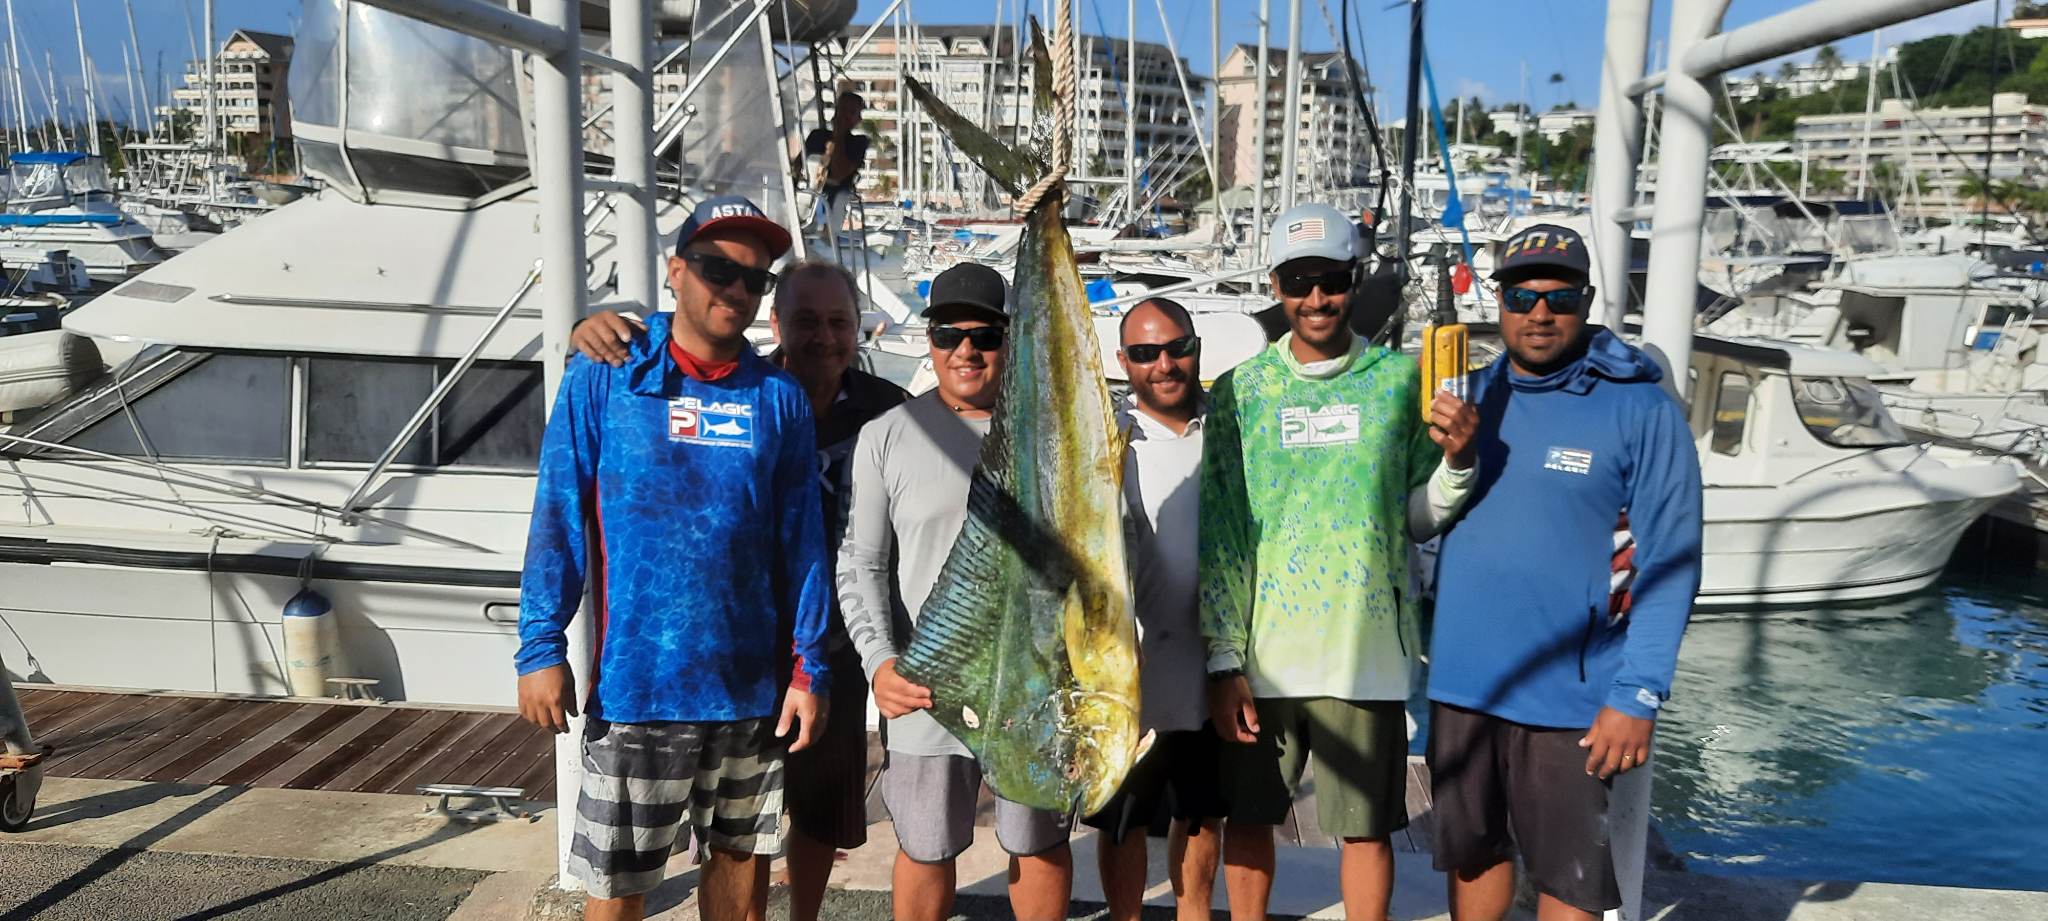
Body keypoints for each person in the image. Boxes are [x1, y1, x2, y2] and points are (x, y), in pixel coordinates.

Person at [515, 196, 832, 921]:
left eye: (755, 279)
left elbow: (802, 543)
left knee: (740, 873)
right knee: (620, 888)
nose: (737, 290)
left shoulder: (778, 397)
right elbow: (558, 514)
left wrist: (808, 667)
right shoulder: (607, 372)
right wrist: (540, 646)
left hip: (751, 691)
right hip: (639, 690)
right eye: (719, 268)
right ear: (677, 270)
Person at [568, 258, 911, 921]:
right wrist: (588, 328)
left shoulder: (885, 409)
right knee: (702, 840)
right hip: (728, 658)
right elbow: (663, 352)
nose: (825, 336)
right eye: (807, 320)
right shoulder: (751, 390)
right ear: (775, 322)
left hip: (831, 650)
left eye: (839, 322)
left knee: (815, 813)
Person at [1199, 201, 1480, 921]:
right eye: (1299, 280)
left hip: (1369, 656)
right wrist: (1225, 661)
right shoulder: (1240, 393)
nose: (1316, 298)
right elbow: (1224, 533)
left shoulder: (1398, 382)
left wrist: (1459, 461)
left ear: (1354, 279)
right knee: (1251, 817)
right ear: (1275, 284)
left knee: (1365, 829)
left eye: (1330, 279)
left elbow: (1417, 516)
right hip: (1265, 659)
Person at [1425, 223, 1703, 921]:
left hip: (1572, 697)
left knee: (1571, 877)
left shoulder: (1643, 409)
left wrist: (1638, 692)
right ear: (1499, 301)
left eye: (1560, 297)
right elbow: (1415, 517)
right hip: (1464, 683)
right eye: (1521, 295)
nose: (1539, 313)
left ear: (1586, 301)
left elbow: (1672, 561)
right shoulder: (1471, 398)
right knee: (1473, 852)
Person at [836, 262, 1075, 921]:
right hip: (925, 688)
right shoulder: (886, 435)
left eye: (985, 333)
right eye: (948, 333)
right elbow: (859, 562)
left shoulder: (1055, 434)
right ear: (929, 340)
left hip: (1033, 689)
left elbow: (1097, 562)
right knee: (924, 846)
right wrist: (880, 663)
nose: (966, 349)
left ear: (1009, 337)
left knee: (1041, 844)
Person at [1084, 296, 1229, 921]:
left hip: (1213, 663)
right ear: (1124, 362)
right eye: (1145, 353)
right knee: (1122, 822)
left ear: (1197, 348)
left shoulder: (1231, 427)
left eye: (1177, 348)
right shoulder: (1105, 440)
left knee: (1201, 814)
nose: (1164, 364)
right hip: (1126, 672)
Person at [805, 89, 869, 239]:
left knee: (840, 197)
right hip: (808, 193)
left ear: (857, 119)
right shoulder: (817, 136)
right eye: (843, 110)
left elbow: (839, 172)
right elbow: (798, 167)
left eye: (851, 112)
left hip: (834, 199)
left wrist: (838, 138)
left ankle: (827, 237)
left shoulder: (858, 143)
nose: (845, 116)